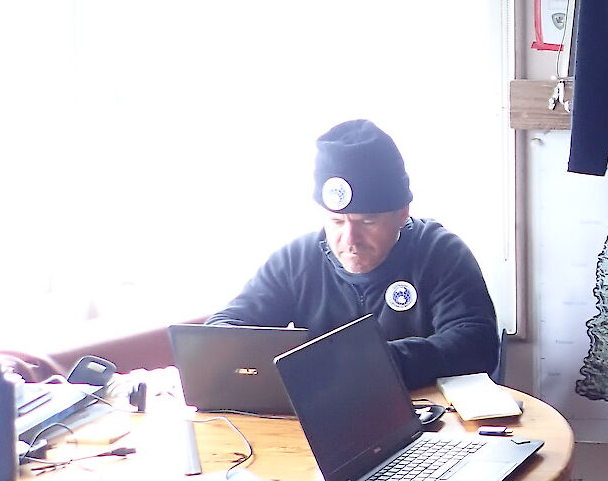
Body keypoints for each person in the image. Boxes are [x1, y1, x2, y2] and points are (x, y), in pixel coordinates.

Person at [206, 119, 498, 388]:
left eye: (366, 222)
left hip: (427, 427)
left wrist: (373, 362)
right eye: (336, 221)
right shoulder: (296, 260)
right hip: (323, 423)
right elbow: (225, 330)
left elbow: (475, 344)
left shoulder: (440, 253)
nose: (349, 239)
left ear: (401, 214)